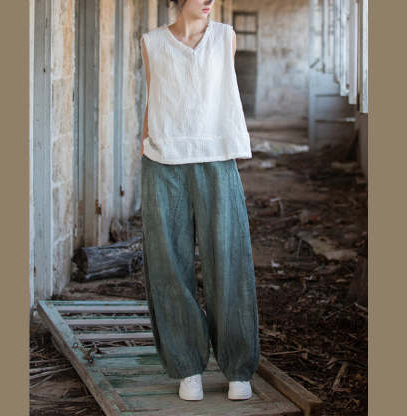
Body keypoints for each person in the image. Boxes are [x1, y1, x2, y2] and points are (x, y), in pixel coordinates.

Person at [139, 0, 260, 402]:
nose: (208, 0)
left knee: (228, 258)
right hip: (163, 160)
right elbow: (154, 95)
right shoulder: (152, 42)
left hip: (217, 157)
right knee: (169, 265)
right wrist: (145, 143)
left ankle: (237, 367)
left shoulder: (225, 37)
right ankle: (187, 366)